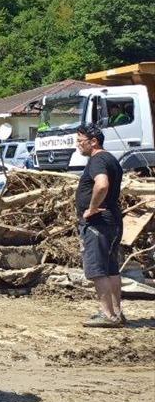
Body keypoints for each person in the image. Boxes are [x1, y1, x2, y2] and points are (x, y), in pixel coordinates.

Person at [75, 124, 125, 327]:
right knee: (111, 268)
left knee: (97, 269)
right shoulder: (111, 159)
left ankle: (108, 315)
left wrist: (92, 208)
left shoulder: (97, 159)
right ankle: (116, 313)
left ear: (93, 141)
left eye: (80, 141)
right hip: (112, 220)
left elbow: (102, 184)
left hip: (99, 223)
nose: (78, 145)